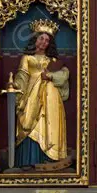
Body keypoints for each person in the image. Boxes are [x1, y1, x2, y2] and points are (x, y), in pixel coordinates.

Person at [11, 19, 70, 168]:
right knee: (29, 123)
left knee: (50, 125)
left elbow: (64, 76)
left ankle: (50, 158)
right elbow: (22, 77)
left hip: (52, 100)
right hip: (32, 97)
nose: (44, 42)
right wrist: (15, 85)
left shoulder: (54, 61)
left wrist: (50, 76)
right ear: (35, 39)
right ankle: (28, 160)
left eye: (47, 40)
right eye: (41, 38)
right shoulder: (27, 58)